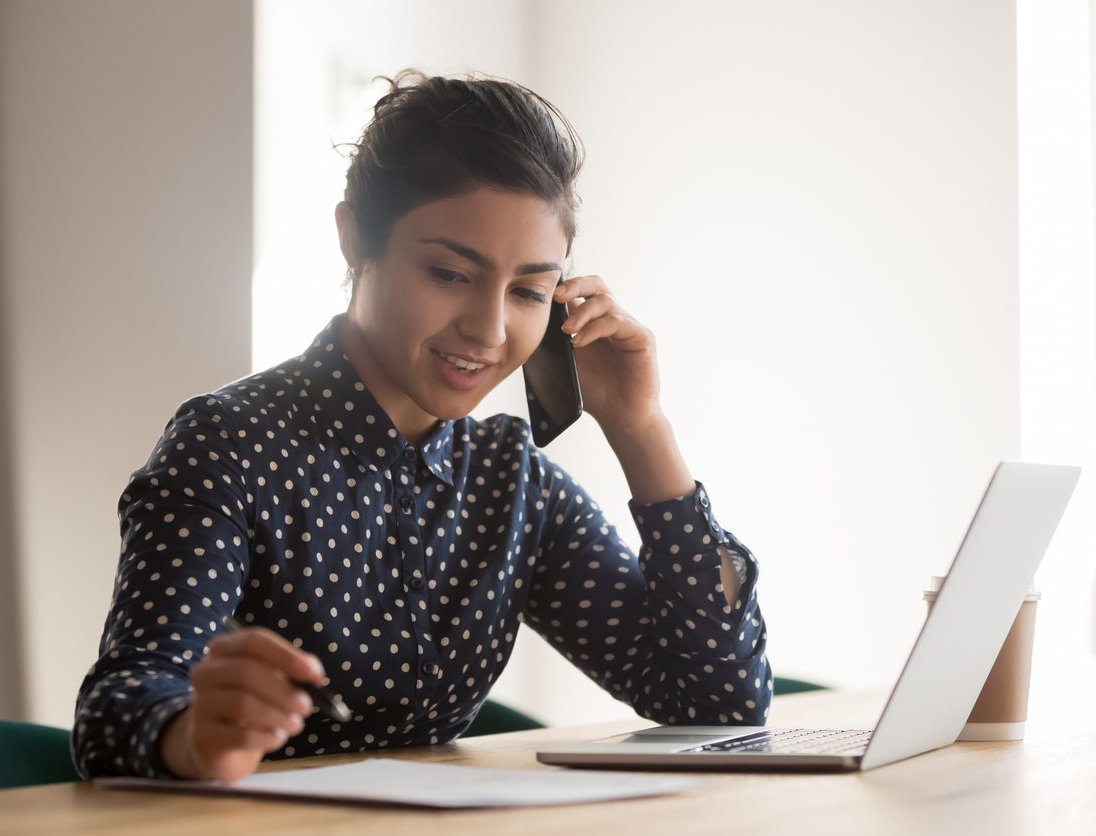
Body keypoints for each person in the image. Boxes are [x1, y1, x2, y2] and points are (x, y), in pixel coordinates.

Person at [72, 71, 771, 782]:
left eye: (529, 291)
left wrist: (639, 426)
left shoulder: (511, 482)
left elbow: (718, 704)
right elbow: (118, 708)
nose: (490, 329)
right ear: (354, 240)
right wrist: (195, 737)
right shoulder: (229, 445)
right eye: (448, 272)